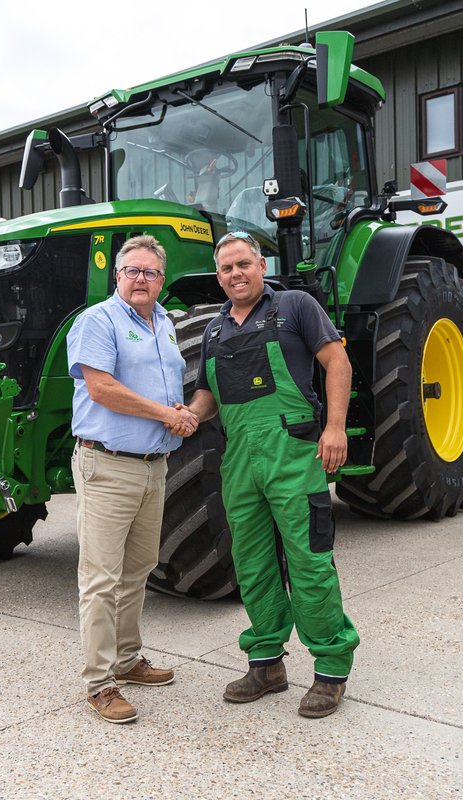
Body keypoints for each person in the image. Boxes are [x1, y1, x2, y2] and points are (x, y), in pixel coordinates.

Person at [183, 230, 359, 718]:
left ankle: (330, 668)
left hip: (294, 451)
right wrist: (184, 415)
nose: (235, 274)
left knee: (309, 561)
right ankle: (266, 663)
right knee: (252, 564)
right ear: (218, 277)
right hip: (240, 460)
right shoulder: (214, 331)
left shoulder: (297, 306)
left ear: (261, 266)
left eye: (243, 264)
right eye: (226, 269)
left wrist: (335, 428)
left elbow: (336, 361)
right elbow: (208, 396)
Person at [67, 234, 198, 724]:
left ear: (162, 281)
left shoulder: (164, 323)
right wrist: (166, 414)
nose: (141, 279)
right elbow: (101, 388)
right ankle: (99, 683)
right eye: (133, 271)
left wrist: (178, 411)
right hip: (108, 464)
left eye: (150, 272)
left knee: (138, 569)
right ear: (117, 275)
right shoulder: (97, 321)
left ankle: (127, 659)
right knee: (100, 578)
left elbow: (162, 385)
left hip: (153, 466)